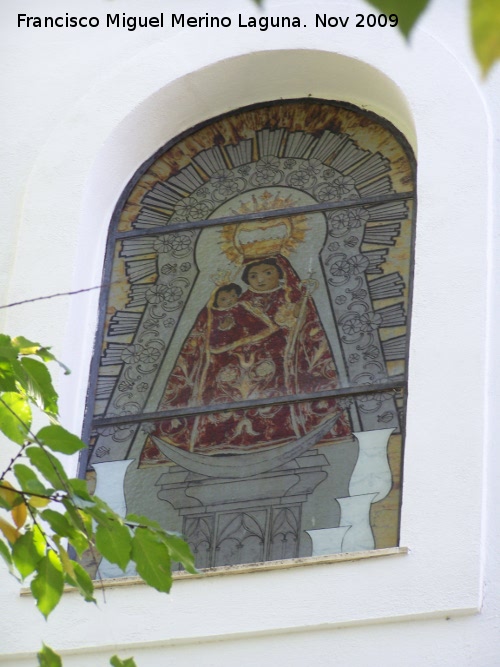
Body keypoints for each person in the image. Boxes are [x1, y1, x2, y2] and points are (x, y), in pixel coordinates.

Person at [140, 254, 350, 463]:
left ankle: (287, 433)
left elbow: (302, 326)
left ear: (280, 274)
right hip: (231, 365)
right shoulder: (237, 301)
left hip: (276, 363)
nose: (260, 278)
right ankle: (218, 441)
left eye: (268, 272)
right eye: (253, 275)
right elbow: (219, 327)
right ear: (246, 279)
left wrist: (300, 307)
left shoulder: (286, 296)